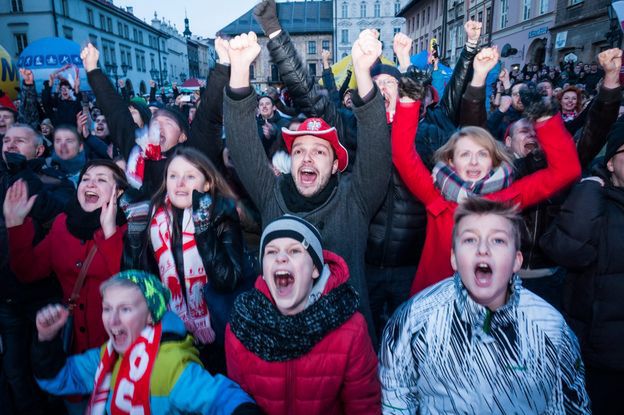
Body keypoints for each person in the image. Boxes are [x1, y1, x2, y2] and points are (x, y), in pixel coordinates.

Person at [223, 28, 391, 338]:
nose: (307, 158)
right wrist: (239, 70)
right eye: (299, 150)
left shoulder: (354, 200)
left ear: (337, 164)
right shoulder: (273, 196)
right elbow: (243, 146)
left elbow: (377, 146)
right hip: (282, 347)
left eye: (319, 151)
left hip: (346, 353)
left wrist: (364, 74)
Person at [379, 198, 590, 414]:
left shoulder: (550, 328)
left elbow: (567, 407)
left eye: (497, 241)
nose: (483, 249)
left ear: (517, 260)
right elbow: (396, 399)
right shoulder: (415, 319)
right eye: (470, 240)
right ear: (453, 258)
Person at [391, 86, 581, 296]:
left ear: (493, 160)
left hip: (488, 304)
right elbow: (402, 155)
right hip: (435, 302)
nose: (474, 162)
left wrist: (544, 117)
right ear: (452, 161)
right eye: (465, 154)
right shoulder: (435, 194)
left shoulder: (508, 198)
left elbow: (566, 170)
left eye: (482, 154)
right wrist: (409, 98)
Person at [31, 270, 260, 415]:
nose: (112, 320)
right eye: (107, 309)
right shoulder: (107, 355)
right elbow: (57, 380)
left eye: (125, 309)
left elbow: (223, 398)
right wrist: (46, 338)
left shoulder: (170, 365)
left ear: (151, 315)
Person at [226, 215, 380, 414]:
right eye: (271, 251)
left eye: (295, 250)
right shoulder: (241, 328)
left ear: (315, 268)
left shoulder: (351, 330)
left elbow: (363, 406)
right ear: (263, 271)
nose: (281, 257)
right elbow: (238, 401)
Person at [123, 147, 253, 372]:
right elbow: (135, 286)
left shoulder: (222, 214)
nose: (180, 183)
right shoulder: (150, 219)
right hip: (170, 334)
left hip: (218, 336)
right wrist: (134, 237)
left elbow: (227, 280)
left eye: (190, 176)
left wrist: (203, 228)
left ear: (207, 184)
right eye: (173, 176)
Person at [540, 119, 624, 414]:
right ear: (611, 163)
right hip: (600, 359)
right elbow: (567, 251)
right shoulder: (595, 202)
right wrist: (589, 190)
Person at [5, 160, 128, 355]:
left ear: (118, 192)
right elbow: (28, 271)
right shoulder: (62, 224)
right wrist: (16, 225)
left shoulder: (129, 231)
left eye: (101, 180)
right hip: (72, 345)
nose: (90, 184)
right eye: (85, 179)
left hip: (115, 345)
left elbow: (128, 287)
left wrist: (110, 232)